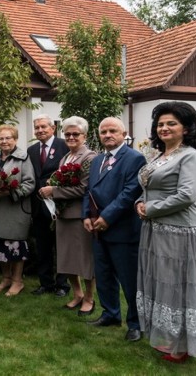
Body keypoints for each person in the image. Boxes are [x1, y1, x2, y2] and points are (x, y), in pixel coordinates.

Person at [135, 102, 196, 362]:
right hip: (156, 227)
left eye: (171, 123)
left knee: (179, 284)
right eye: (161, 124)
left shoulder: (190, 156)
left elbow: (187, 195)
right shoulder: (160, 156)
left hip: (181, 229)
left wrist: (150, 209)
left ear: (186, 128)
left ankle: (183, 344)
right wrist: (140, 203)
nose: (164, 128)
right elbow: (150, 187)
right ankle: (169, 337)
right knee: (163, 282)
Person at [82, 117, 146, 342]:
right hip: (98, 230)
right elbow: (88, 191)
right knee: (104, 275)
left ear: (123, 133)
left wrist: (107, 217)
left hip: (123, 229)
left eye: (112, 131)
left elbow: (130, 192)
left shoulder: (135, 158)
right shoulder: (98, 159)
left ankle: (136, 323)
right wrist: (87, 216)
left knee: (130, 281)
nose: (107, 135)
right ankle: (110, 313)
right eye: (103, 131)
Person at [38, 116, 96, 315]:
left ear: (84, 136)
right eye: (67, 134)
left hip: (79, 215)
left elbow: (84, 188)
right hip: (62, 215)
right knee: (67, 259)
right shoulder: (65, 158)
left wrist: (53, 191)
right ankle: (77, 294)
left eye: (75, 134)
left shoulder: (89, 157)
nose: (71, 137)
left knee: (84, 260)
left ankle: (89, 297)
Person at [0, 124, 35, 297]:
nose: (4, 141)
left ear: (15, 139)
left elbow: (30, 183)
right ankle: (6, 278)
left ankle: (18, 281)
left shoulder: (23, 158)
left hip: (13, 209)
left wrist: (9, 192)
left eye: (8, 138)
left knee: (15, 244)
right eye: (1, 138)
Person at [27, 114, 70, 296]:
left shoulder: (64, 146)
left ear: (53, 128)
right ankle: (45, 283)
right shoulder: (32, 150)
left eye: (44, 127)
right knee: (42, 247)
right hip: (38, 206)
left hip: (58, 204)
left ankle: (62, 284)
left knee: (60, 246)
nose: (40, 130)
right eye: (37, 128)